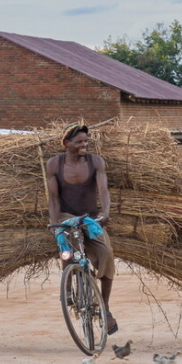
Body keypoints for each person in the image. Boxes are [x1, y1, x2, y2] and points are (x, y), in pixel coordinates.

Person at [46, 123, 118, 335]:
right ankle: (67, 288)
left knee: (106, 254)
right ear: (66, 143)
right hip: (66, 216)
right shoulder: (54, 164)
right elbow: (53, 197)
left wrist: (105, 213)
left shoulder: (95, 162)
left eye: (86, 141)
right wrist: (55, 224)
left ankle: (104, 307)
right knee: (67, 245)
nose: (84, 145)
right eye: (79, 142)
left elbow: (103, 190)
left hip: (90, 217)